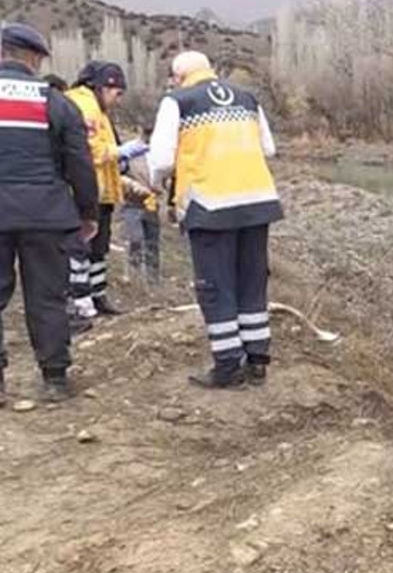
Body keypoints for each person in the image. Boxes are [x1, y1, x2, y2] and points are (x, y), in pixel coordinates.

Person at [147, 51, 284, 389]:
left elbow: (162, 159)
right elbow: (268, 148)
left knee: (215, 285)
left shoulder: (177, 101)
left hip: (210, 205)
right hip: (257, 201)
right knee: (251, 281)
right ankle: (257, 362)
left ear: (178, 76)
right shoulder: (247, 98)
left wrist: (160, 182)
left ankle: (227, 366)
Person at [0, 23, 99, 405]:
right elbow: (80, 163)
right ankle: (54, 378)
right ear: (35, 58)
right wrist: (87, 212)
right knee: (47, 298)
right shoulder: (56, 102)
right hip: (46, 214)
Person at [65, 61, 128, 318]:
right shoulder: (84, 106)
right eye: (117, 93)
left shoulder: (98, 109)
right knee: (82, 247)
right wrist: (119, 152)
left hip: (100, 191)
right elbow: (91, 151)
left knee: (98, 248)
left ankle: (97, 294)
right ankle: (81, 301)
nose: (118, 100)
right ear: (102, 86)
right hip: (83, 190)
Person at [121, 127, 161, 284]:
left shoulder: (158, 151)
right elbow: (118, 174)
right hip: (132, 202)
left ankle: (153, 281)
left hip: (152, 203)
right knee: (134, 239)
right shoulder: (130, 150)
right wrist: (134, 186)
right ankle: (133, 277)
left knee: (153, 243)